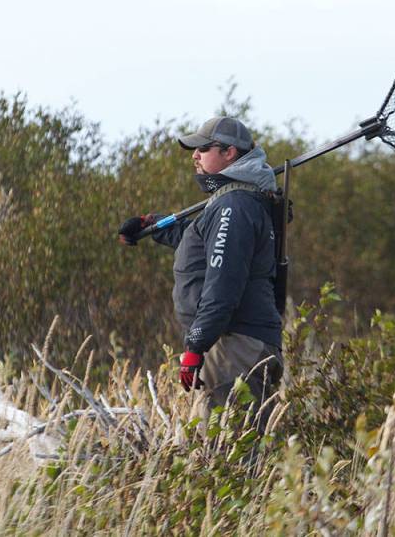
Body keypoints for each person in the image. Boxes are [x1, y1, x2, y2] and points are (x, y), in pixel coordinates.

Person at [118, 116, 283, 431]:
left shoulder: (234, 206)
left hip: (234, 348)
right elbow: (200, 243)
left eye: (203, 148)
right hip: (237, 345)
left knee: (226, 456)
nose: (195, 155)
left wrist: (195, 346)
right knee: (228, 455)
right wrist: (151, 224)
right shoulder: (234, 202)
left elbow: (222, 288)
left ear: (229, 152)